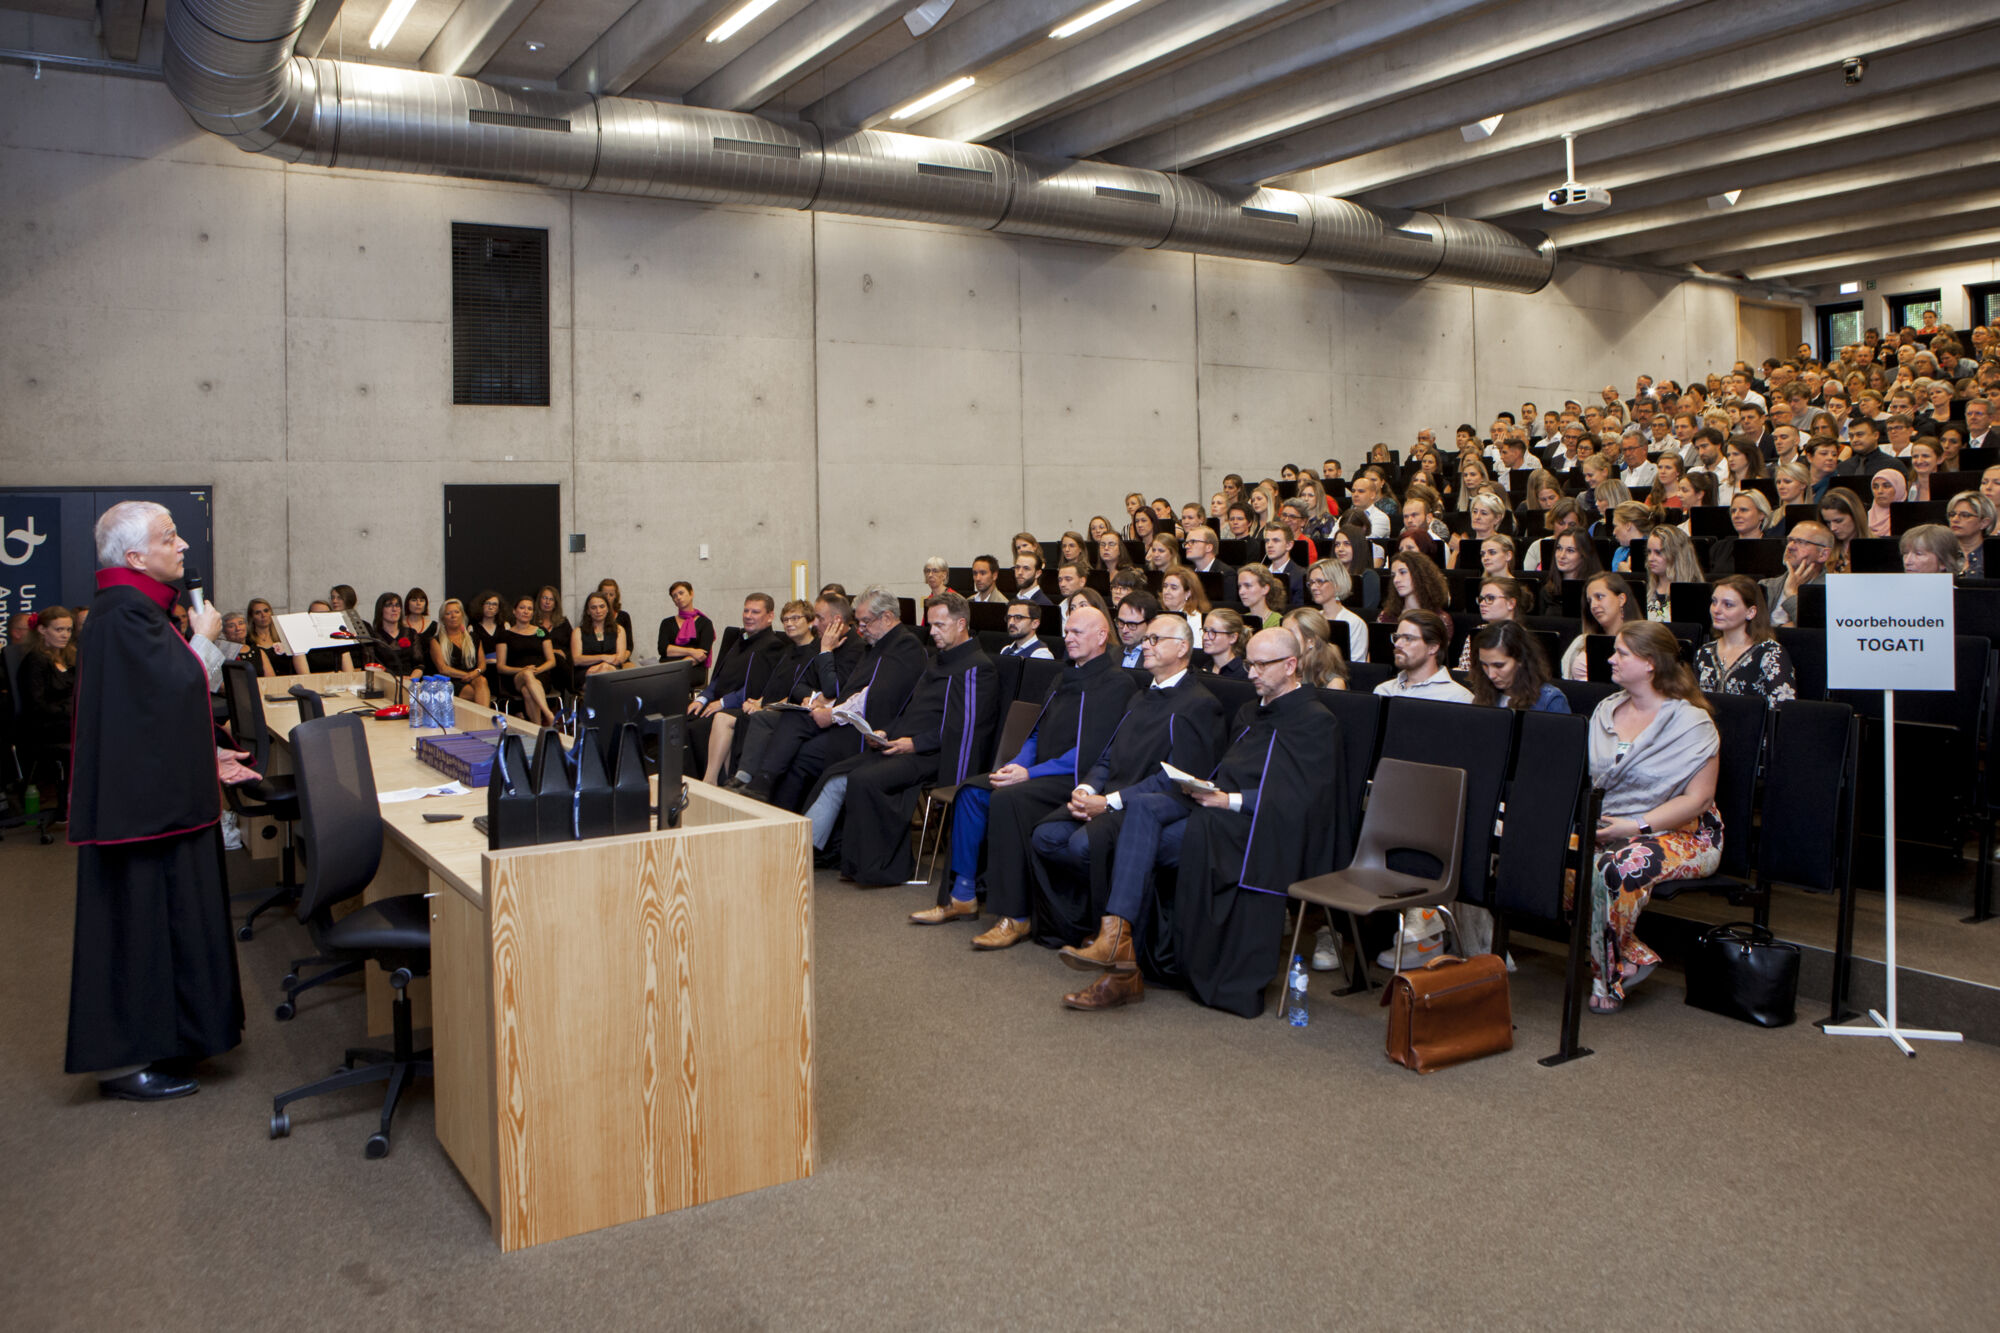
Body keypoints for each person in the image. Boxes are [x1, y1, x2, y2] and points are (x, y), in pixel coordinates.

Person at [65, 500, 245, 1100]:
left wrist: (208, 752)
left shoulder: (135, 610)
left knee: (166, 919)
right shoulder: (122, 617)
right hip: (137, 810)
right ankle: (123, 1060)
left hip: (157, 796)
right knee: (136, 923)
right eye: (170, 537)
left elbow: (158, 707)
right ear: (136, 556)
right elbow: (173, 688)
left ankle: (171, 1038)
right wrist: (202, 640)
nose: (184, 546)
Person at [1027, 615, 1226, 995]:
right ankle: (1077, 926)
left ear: (1182, 648)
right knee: (1045, 836)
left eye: (1155, 638)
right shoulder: (1140, 695)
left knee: (1082, 844)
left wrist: (1111, 801)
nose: (1145, 644)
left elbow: (1178, 777)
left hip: (1150, 804)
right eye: (1145, 638)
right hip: (1108, 795)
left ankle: (1113, 937)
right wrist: (1087, 789)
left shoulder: (1200, 704)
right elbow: (1106, 756)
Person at [913, 608, 1135, 945]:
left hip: (1074, 779)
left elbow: (1089, 754)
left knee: (1008, 799)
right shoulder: (1063, 677)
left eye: (1077, 632)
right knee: (972, 792)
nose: (1068, 638)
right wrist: (1013, 766)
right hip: (1036, 772)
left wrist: (1027, 774)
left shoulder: (1117, 684)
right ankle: (962, 895)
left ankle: (1015, 917)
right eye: (1067, 631)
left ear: (1102, 636)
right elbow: (1035, 736)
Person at [1163, 629, 1346, 1017]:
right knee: (1171, 824)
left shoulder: (1315, 720)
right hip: (1231, 814)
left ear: (1291, 665)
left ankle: (1224, 977)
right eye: (1250, 663)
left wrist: (1229, 801)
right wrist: (1209, 790)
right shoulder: (1251, 712)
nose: (1251, 674)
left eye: (1262, 665)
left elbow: (1304, 800)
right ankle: (1176, 960)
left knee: (1205, 830)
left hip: (1279, 827)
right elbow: (1232, 771)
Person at [809, 592, 998, 884]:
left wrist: (914, 743)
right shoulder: (939, 661)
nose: (931, 632)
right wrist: (886, 733)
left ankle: (885, 868)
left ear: (961, 624)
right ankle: (855, 863)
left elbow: (964, 730)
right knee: (845, 770)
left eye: (939, 625)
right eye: (931, 625)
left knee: (866, 779)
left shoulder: (977, 666)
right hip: (908, 743)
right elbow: (911, 709)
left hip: (936, 753)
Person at [1584, 622, 1722, 1013]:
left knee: (1616, 867)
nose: (1611, 659)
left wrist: (1636, 826)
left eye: (1622, 653)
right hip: (1614, 826)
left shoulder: (1691, 723)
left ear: (1649, 664)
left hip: (1686, 833)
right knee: (1565, 863)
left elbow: (1699, 799)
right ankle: (1634, 957)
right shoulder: (1605, 710)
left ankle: (1605, 977)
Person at [740, 587, 929, 812]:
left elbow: (872, 695)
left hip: (867, 730)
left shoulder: (901, 645)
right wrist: (824, 702)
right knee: (794, 731)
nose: (861, 629)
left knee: (803, 752)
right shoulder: (877, 645)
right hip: (846, 719)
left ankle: (777, 805)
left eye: (865, 622)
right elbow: (809, 684)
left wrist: (832, 710)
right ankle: (770, 798)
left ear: (886, 617)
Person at [691, 597, 797, 786]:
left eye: (755, 612)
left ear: (770, 616)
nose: (748, 616)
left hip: (741, 706)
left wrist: (722, 703)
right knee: (686, 720)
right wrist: (702, 698)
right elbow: (718, 677)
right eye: (746, 611)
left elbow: (755, 688)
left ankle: (714, 781)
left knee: (701, 726)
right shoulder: (740, 640)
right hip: (718, 703)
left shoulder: (772, 646)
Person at [1695, 576, 1797, 710]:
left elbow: (1782, 711)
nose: (1716, 610)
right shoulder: (1704, 652)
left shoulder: (1771, 654)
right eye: (1714, 602)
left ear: (1750, 612)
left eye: (1728, 604)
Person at [18, 605, 78, 816]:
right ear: (43, 630)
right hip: (46, 727)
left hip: (68, 720)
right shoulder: (35, 660)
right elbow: (37, 704)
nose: (65, 635)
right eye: (59, 629)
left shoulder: (69, 656)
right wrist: (70, 711)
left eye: (69, 630)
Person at [1468, 620, 1567, 712]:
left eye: (1499, 665)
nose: (1491, 675)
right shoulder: (1484, 693)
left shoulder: (1550, 700)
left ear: (1520, 659)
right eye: (1484, 665)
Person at [1374, 609, 1472, 702]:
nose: (1397, 644)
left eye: (1408, 638)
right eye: (1397, 637)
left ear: (1432, 647)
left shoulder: (1457, 698)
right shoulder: (1384, 691)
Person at [495, 594, 558, 727]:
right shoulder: (505, 635)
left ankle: (537, 729)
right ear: (514, 611)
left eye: (529, 609)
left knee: (527, 690)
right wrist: (523, 670)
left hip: (540, 675)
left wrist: (538, 670)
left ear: (533, 613)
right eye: (522, 608)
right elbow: (500, 666)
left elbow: (552, 661)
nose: (526, 611)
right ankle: (548, 714)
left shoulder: (540, 631)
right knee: (527, 675)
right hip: (516, 676)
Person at [1562, 572, 1638, 680]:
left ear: (1621, 599)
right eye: (1590, 601)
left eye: (1600, 597)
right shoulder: (1581, 641)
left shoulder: (1641, 641)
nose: (1593, 606)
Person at [1761, 521, 1834, 627]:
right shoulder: (1766, 586)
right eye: (1790, 540)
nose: (1790, 547)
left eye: (1801, 542)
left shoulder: (1832, 591)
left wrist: (1791, 594)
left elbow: (1814, 629)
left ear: (1823, 554)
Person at [1376, 550, 1453, 642]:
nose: (1396, 580)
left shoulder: (1440, 619)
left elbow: (1436, 654)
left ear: (1420, 574)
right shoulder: (1385, 616)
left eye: (1403, 572)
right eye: (1393, 575)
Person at [429, 598, 492, 708]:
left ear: (462, 615)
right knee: (479, 694)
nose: (453, 616)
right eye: (448, 613)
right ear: (443, 618)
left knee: (481, 680)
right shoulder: (436, 641)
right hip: (449, 681)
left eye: (456, 612)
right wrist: (467, 675)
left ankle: (481, 722)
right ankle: (485, 721)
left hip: (474, 678)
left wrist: (475, 672)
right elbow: (443, 669)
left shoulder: (474, 637)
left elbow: (482, 664)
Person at [1456, 576, 1527, 671]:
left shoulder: (1524, 637)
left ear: (1511, 603)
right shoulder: (1478, 632)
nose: (1482, 604)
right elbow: (1465, 670)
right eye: (1481, 599)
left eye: (1490, 598)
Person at [1304, 558, 1368, 664]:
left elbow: (1357, 664)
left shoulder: (1354, 622)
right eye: (1311, 583)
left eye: (1320, 582)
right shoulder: (1312, 619)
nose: (1313, 587)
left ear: (1336, 584)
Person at [1641, 527, 1703, 622]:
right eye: (1649, 552)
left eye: (1658, 552)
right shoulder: (1643, 588)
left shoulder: (1694, 593)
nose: (1651, 558)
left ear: (1676, 555)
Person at [659, 581, 715, 683]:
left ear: (691, 593)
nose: (678, 598)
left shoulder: (705, 623)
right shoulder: (666, 623)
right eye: (674, 596)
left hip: (693, 669)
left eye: (681, 593)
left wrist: (678, 668)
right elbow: (663, 649)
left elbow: (702, 654)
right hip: (667, 669)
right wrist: (692, 651)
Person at [1282, 607, 1349, 689]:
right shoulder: (1281, 673)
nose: (1283, 639)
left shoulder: (1333, 684)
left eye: (1290, 633)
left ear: (1311, 641)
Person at [570, 591, 630, 678]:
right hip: (586, 673)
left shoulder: (619, 630)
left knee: (605, 669)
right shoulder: (578, 632)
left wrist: (600, 665)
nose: (598, 611)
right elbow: (577, 660)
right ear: (588, 611)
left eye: (602, 606)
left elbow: (619, 659)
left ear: (608, 609)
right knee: (603, 670)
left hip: (612, 671)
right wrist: (602, 657)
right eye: (593, 608)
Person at [368, 591, 420, 677]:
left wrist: (410, 679)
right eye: (389, 605)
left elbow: (419, 665)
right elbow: (371, 667)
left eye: (397, 605)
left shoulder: (411, 633)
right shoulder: (373, 637)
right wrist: (396, 680)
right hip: (385, 682)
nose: (394, 609)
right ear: (380, 610)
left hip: (409, 681)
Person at [242, 597, 293, 678]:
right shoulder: (248, 641)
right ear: (252, 617)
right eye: (258, 613)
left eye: (266, 611)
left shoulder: (283, 637)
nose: (263, 615)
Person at [1945, 493, 1994, 577]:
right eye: (1952, 514)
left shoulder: (1993, 557)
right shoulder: (1942, 552)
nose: (1955, 519)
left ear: (1984, 523)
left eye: (1965, 515)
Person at [1159, 566, 1210, 642]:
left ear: (1188, 593)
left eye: (1174, 588)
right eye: (1165, 586)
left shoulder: (1196, 621)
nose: (1166, 592)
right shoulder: (1160, 617)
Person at [1202, 607, 1251, 679]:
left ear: (1233, 638)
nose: (1205, 637)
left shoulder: (1245, 673)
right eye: (1205, 630)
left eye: (1213, 632)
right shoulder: (1204, 669)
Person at [1113, 592, 1159, 668]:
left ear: (1151, 623)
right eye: (1121, 622)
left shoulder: (1158, 659)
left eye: (1132, 625)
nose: (1124, 630)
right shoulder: (1111, 655)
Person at [1900, 523, 1966, 576]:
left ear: (1942, 562)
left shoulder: (1957, 592)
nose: (1907, 562)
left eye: (1918, 554)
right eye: (1906, 553)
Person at [1236, 563, 1287, 629]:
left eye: (1248, 586)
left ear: (1265, 589)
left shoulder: (1277, 622)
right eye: (1240, 586)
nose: (1241, 592)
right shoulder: (1240, 620)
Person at [1866, 468, 1908, 537]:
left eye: (1886, 486)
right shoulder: (1863, 518)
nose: (1880, 491)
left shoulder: (1908, 519)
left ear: (1899, 489)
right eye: (1875, 487)